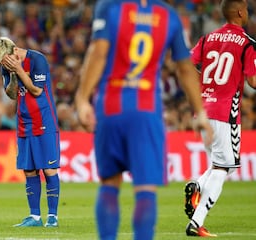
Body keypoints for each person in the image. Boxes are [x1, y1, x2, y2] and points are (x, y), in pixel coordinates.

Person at [74, 0, 214, 239]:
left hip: (111, 106)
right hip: (147, 112)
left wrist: (82, 97)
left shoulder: (109, 7)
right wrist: (200, 111)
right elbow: (184, 66)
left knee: (110, 183)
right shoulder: (168, 15)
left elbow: (98, 52)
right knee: (145, 189)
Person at [184, 0, 256, 237]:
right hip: (226, 112)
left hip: (203, 110)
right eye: (246, 9)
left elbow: (188, 62)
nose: (247, 12)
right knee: (223, 168)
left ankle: (197, 186)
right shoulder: (247, 43)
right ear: (239, 12)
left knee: (222, 166)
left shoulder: (208, 38)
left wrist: (208, 81)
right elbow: (253, 82)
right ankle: (196, 222)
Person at [0, 37, 61, 228]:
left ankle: (52, 216)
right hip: (23, 122)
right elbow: (12, 94)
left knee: (48, 169)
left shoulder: (37, 59)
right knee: (29, 170)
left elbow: (37, 90)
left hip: (44, 120)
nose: (2, 65)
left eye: (3, 61)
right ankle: (35, 217)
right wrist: (13, 74)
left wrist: (20, 70)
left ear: (13, 52)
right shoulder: (6, 66)